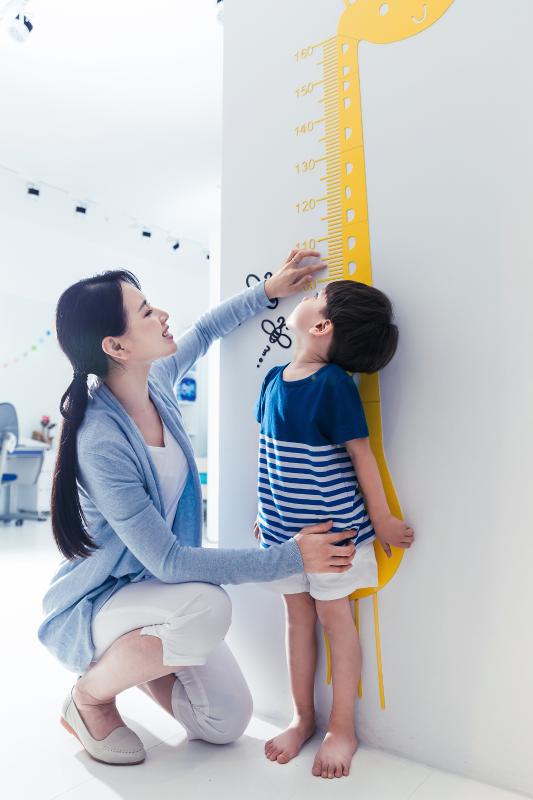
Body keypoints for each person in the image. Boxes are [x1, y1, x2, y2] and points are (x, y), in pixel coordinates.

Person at [37, 250, 359, 767]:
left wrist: (268, 291)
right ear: (116, 346)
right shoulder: (100, 439)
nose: (163, 314)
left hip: (156, 596)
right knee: (209, 605)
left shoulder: (157, 383)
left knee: (223, 723)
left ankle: (136, 658)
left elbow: (207, 330)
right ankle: (89, 698)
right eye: (146, 312)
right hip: (104, 599)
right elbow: (169, 561)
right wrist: (292, 556)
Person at [253, 280, 415, 779]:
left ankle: (342, 727)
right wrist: (263, 513)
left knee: (334, 620)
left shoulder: (334, 385)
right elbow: (268, 455)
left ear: (322, 325)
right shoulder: (273, 380)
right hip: (282, 535)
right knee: (297, 620)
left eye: (315, 296)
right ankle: (302, 718)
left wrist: (382, 520)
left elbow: (361, 457)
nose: (305, 298)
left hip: (335, 536)